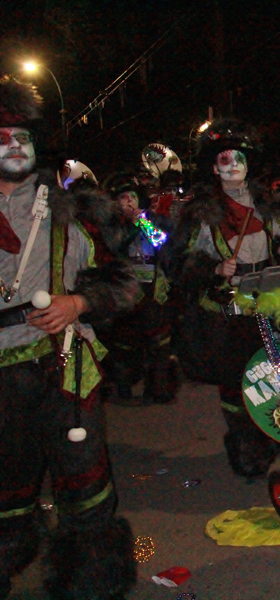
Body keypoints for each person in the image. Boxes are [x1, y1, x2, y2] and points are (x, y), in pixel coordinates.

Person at [0, 75, 138, 600]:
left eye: (23, 136)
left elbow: (127, 280)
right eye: (3, 135)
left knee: (85, 487)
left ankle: (92, 583)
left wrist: (77, 303)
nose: (15, 145)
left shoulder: (76, 209)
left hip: (63, 368)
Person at [171, 118, 280, 479]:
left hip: (269, 304)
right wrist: (213, 270)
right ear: (214, 167)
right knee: (237, 382)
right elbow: (175, 263)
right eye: (226, 159)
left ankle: (276, 434)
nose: (235, 165)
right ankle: (246, 447)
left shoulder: (267, 204)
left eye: (240, 158)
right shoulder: (199, 212)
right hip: (228, 313)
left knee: (275, 374)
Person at [100, 171, 179, 404]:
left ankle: (160, 387)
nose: (129, 203)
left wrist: (143, 222)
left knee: (160, 341)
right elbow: (113, 249)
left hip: (154, 287)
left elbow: (163, 243)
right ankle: (123, 385)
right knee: (125, 343)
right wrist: (131, 227)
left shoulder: (153, 220)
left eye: (132, 197)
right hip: (125, 290)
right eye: (123, 198)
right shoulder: (110, 225)